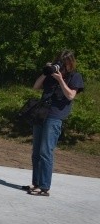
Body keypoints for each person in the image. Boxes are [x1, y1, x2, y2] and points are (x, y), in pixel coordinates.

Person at [22, 49, 84, 197]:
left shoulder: (75, 76)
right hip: (41, 113)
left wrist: (61, 80)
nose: (61, 66)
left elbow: (70, 95)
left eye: (64, 63)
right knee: (36, 151)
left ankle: (44, 187)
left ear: (70, 63)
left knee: (45, 151)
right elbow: (36, 87)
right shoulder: (50, 74)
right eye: (59, 62)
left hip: (55, 116)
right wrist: (46, 72)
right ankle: (36, 183)